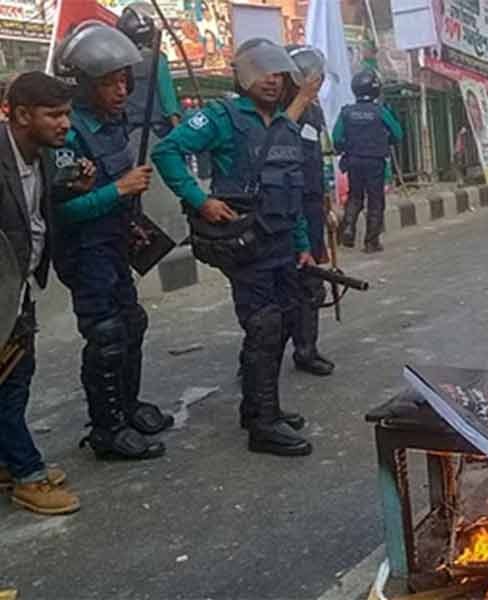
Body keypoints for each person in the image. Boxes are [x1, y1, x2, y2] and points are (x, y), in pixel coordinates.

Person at [152, 38, 319, 456]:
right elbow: (168, 150)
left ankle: (261, 407)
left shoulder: (283, 123)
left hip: (282, 242)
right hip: (247, 243)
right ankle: (263, 425)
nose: (272, 81)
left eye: (279, 73)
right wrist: (201, 201)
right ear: (243, 76)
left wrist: (303, 244)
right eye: (263, 72)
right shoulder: (221, 116)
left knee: (279, 326)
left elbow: (290, 186)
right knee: (263, 327)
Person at [51, 22, 173, 460]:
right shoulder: (69, 135)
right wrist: (119, 190)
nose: (121, 91)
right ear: (84, 86)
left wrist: (131, 217)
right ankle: (107, 427)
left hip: (115, 242)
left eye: (124, 81)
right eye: (108, 83)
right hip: (85, 252)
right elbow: (63, 210)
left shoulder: (116, 124)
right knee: (105, 335)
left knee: (132, 324)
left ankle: (128, 405)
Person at [0, 72, 87, 515]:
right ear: (19, 114)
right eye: (54, 114)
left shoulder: (41, 156)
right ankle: (28, 476)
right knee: (8, 388)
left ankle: (6, 461)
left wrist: (74, 185)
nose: (64, 124)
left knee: (17, 377)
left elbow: (34, 203)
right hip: (2, 292)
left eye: (67, 114)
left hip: (21, 289)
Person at [285, 44, 334, 377]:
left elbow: (321, 156)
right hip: (286, 205)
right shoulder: (281, 112)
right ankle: (265, 353)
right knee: (283, 283)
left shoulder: (314, 113)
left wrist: (329, 197)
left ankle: (306, 348)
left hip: (313, 204)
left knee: (312, 280)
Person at [333, 70, 402, 253]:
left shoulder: (346, 112)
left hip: (354, 160)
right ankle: (371, 242)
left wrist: (345, 148)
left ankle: (348, 228)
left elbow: (337, 138)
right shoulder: (381, 111)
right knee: (375, 200)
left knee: (355, 196)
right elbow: (398, 133)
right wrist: (386, 141)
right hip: (375, 161)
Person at [116, 4, 181, 137]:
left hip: (125, 130)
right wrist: (179, 133)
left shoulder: (117, 59)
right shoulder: (156, 58)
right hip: (156, 130)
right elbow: (169, 103)